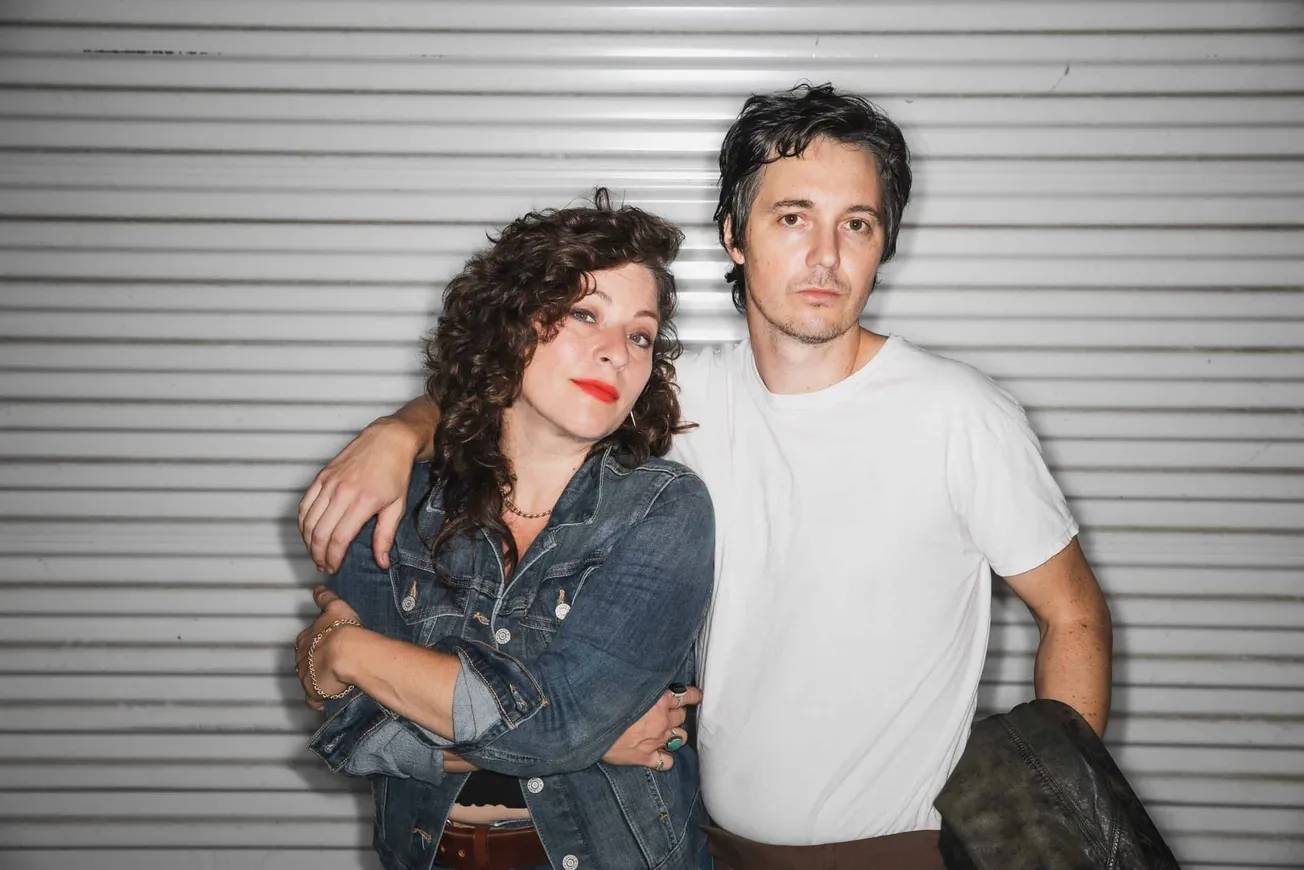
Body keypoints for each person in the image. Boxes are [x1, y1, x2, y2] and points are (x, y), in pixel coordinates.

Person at [298, 84, 1113, 870]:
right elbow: (528, 382)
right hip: (708, 839)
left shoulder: (960, 415)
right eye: (793, 217)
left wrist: (1055, 831)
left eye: (856, 224)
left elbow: (1073, 614)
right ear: (735, 234)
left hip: (896, 847)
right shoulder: (674, 397)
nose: (825, 255)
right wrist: (399, 431)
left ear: (882, 243)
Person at [293, 189, 715, 870]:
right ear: (511, 326)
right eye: (585, 314)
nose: (616, 352)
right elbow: (349, 729)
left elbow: (553, 730)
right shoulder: (394, 499)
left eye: (640, 333)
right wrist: (583, 736)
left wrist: (344, 657)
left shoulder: (662, 509)